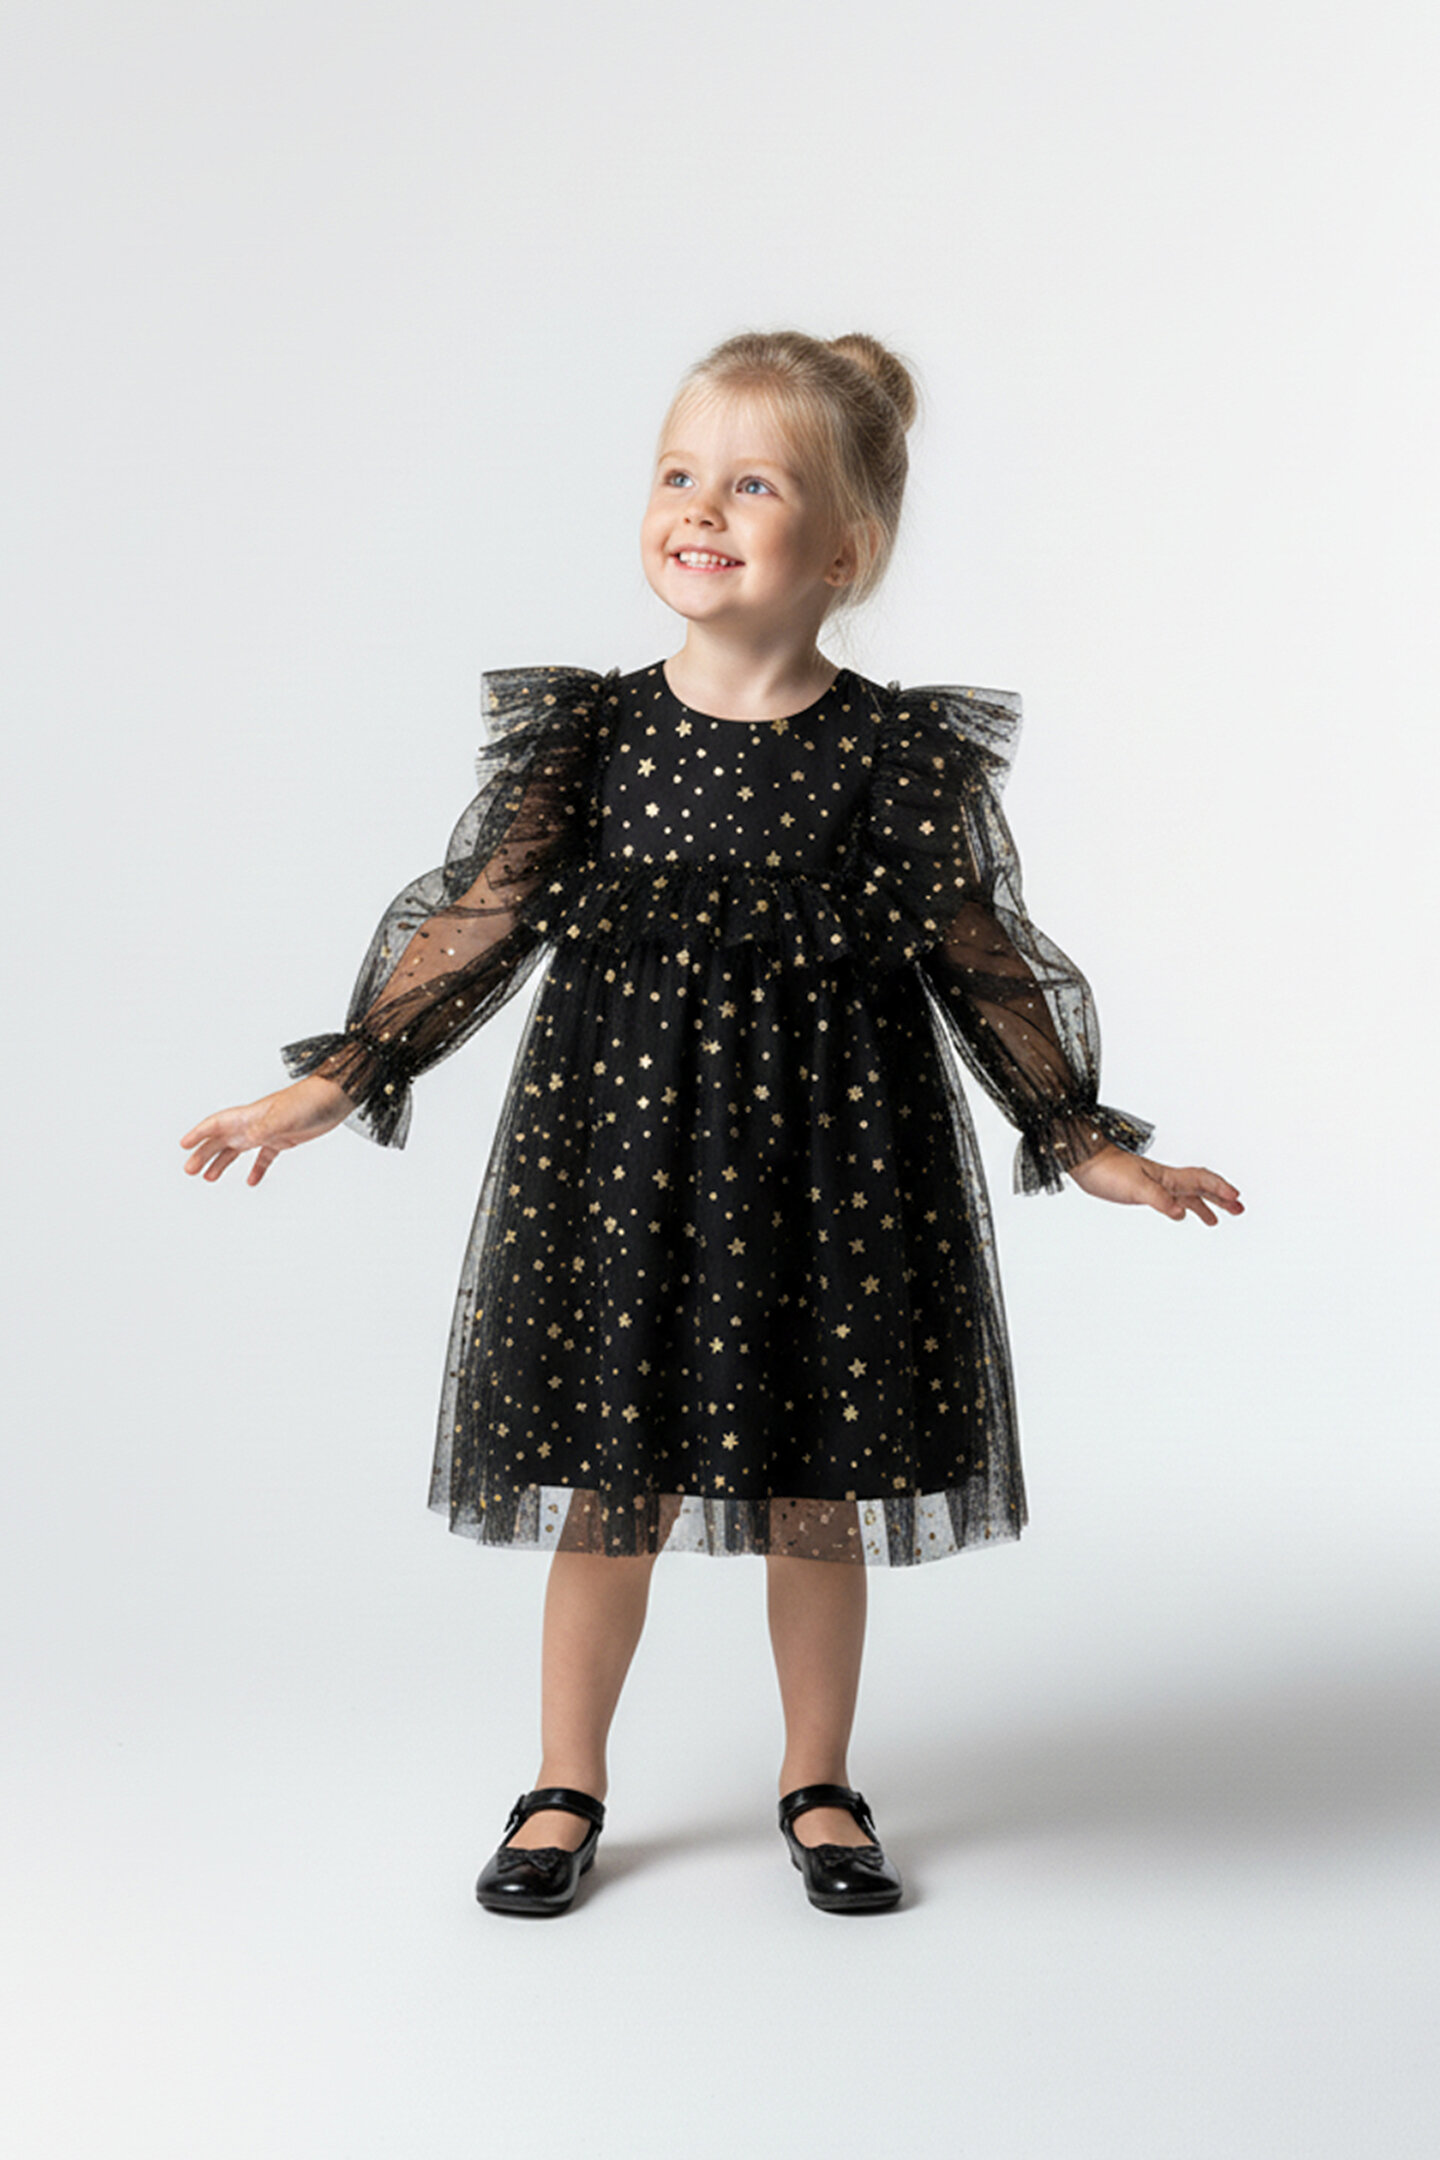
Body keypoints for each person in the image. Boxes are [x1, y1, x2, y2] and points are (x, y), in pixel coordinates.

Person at [180, 329, 1242, 1919]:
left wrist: (1086, 1141)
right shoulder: (593, 735)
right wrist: (344, 1076)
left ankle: (819, 1779)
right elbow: (479, 917)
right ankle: (565, 1782)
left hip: (833, 1173)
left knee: (820, 1488)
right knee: (611, 1483)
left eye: (753, 485)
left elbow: (981, 956)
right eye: (680, 473)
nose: (700, 506)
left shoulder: (895, 756)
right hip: (622, 1168)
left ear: (843, 550)